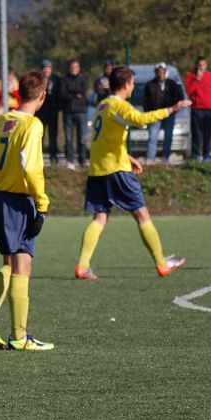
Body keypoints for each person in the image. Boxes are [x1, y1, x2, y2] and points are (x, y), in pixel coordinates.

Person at [75, 66, 190, 280]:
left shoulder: (103, 105)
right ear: (126, 84)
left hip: (98, 169)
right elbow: (141, 120)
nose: (134, 87)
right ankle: (161, 263)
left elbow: (101, 139)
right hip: (116, 171)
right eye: (133, 83)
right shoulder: (119, 105)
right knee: (142, 214)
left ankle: (82, 265)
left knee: (100, 217)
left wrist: (127, 156)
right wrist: (172, 109)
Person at [0, 71, 53, 351]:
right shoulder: (32, 125)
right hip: (17, 202)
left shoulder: (2, 121)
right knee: (23, 265)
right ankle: (20, 336)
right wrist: (41, 205)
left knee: (11, 263)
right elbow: (31, 167)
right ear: (42, 96)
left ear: (19, 93)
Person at [143, 63, 184, 164]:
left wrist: (176, 108)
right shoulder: (150, 85)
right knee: (153, 137)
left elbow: (180, 97)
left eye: (163, 72)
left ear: (165, 72)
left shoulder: (172, 84)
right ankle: (150, 158)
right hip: (155, 114)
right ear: (156, 72)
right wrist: (148, 112)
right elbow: (145, 100)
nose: (161, 74)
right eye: (159, 72)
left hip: (169, 114)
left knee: (168, 137)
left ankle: (165, 158)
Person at [185, 56, 211, 163]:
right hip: (197, 109)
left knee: (207, 134)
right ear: (196, 65)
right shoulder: (191, 77)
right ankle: (197, 154)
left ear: (206, 65)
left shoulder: (210, 76)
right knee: (197, 133)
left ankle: (207, 155)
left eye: (203, 65)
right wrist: (196, 80)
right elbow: (189, 91)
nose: (201, 67)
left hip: (210, 109)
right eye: (199, 65)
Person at [60, 59, 88, 169]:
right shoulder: (64, 80)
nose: (74, 69)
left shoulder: (83, 79)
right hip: (68, 112)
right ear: (69, 68)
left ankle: (82, 160)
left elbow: (83, 90)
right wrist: (75, 94)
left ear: (79, 68)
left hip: (81, 112)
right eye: (72, 67)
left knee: (82, 138)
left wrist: (71, 92)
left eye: (76, 67)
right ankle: (70, 161)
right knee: (69, 138)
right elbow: (63, 94)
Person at [35, 60, 62, 164]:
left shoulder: (56, 80)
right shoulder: (37, 80)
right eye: (44, 68)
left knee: (53, 134)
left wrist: (58, 107)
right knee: (39, 135)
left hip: (52, 111)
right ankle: (38, 157)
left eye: (48, 68)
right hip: (40, 111)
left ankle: (53, 156)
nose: (46, 70)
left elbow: (60, 94)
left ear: (51, 69)